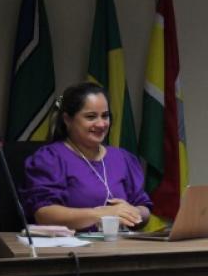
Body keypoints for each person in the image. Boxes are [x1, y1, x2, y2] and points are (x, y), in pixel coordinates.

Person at [21, 82, 152, 230]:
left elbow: (144, 208)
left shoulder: (122, 158)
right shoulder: (50, 158)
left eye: (105, 116)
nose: (101, 124)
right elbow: (44, 214)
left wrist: (134, 212)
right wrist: (102, 214)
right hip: (70, 244)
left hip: (119, 242)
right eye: (91, 117)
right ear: (67, 120)